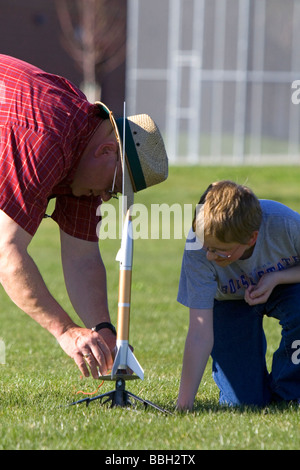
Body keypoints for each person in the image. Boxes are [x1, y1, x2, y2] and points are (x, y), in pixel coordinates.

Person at [0, 54, 168, 379]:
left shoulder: (84, 154)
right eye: (113, 187)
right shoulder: (48, 137)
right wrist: (64, 331)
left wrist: (103, 330)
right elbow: (7, 253)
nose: (106, 197)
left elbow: (82, 257)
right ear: (106, 152)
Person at [177, 180, 300, 409]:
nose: (210, 257)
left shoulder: (285, 224)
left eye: (220, 251)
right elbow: (199, 332)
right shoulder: (198, 248)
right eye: (206, 246)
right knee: (244, 403)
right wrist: (184, 405)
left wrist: (277, 278)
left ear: (251, 238)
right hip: (228, 303)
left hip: (286, 287)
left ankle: (289, 389)